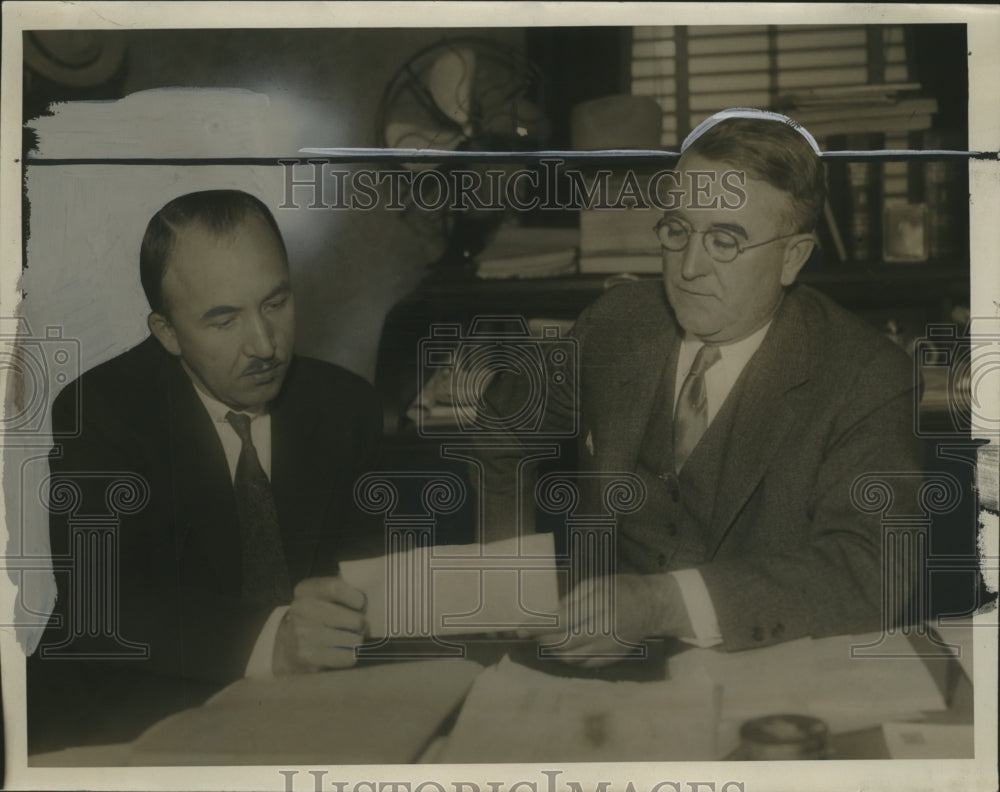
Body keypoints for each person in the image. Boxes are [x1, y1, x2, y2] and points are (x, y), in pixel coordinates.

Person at [479, 110, 924, 664]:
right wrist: (507, 581)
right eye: (677, 230)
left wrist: (664, 603)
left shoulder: (866, 377)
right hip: (595, 664)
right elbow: (502, 423)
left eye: (725, 241)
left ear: (793, 257)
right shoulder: (616, 324)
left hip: (765, 669)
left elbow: (874, 570)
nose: (689, 267)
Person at [28, 190, 382, 750]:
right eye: (224, 320)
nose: (264, 345)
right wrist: (276, 642)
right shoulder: (98, 410)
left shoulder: (348, 406)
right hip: (120, 715)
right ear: (167, 332)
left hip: (306, 716)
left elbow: (372, 576)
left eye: (276, 302)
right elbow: (103, 605)